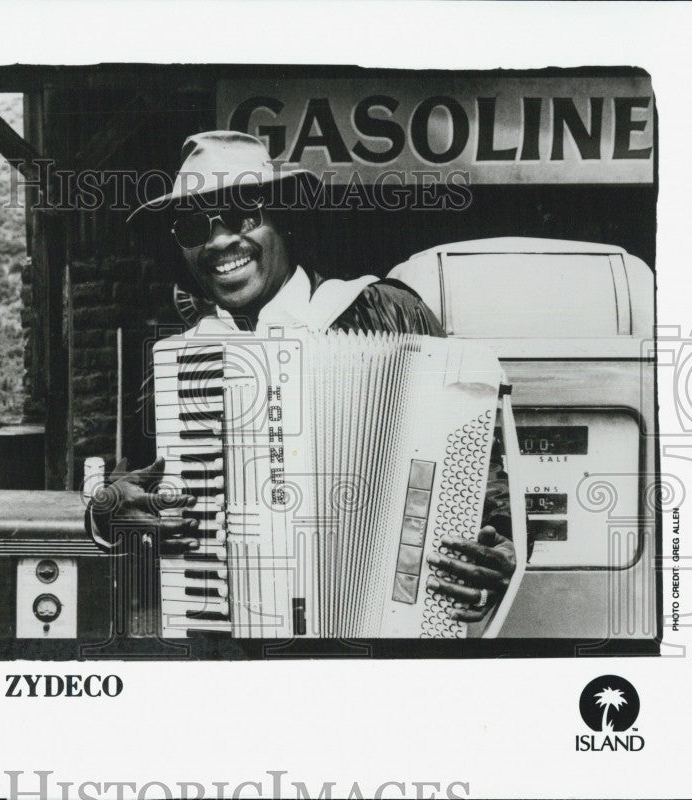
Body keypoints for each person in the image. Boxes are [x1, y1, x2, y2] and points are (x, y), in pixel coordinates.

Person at [91, 130, 515, 626]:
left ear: (281, 219)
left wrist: (502, 544)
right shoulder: (182, 369)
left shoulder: (388, 313)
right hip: (235, 636)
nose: (221, 240)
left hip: (386, 630)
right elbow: (137, 490)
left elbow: (484, 475)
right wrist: (107, 512)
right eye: (193, 227)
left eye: (244, 213)